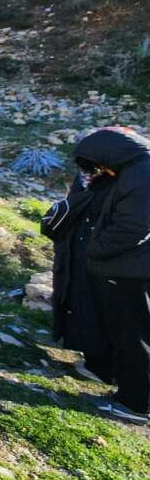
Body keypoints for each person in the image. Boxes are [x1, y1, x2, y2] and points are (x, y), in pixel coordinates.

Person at [79, 128, 150, 425]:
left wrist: (95, 249)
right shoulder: (137, 169)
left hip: (132, 271)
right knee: (131, 333)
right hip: (133, 267)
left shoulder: (142, 175)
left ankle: (135, 405)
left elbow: (133, 227)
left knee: (134, 336)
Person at [42, 135, 118, 384]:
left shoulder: (108, 181)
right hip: (90, 251)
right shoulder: (124, 178)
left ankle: (102, 367)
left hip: (92, 253)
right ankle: (100, 362)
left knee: (95, 308)